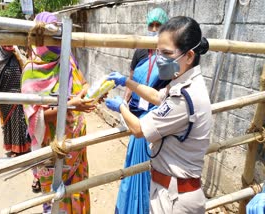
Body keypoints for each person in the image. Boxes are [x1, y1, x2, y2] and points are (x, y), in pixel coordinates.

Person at [105, 16, 211, 214]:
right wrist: (126, 82)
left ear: (189, 56)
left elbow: (138, 129)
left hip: (174, 199)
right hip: (172, 190)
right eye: (158, 51)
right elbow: (157, 96)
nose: (159, 58)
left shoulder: (183, 97)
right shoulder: (185, 82)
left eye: (167, 53)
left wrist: (121, 107)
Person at [21, 12, 96, 214]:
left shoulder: (68, 60)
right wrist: (71, 105)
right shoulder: (31, 70)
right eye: (51, 34)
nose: (56, 40)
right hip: (53, 150)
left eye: (58, 34)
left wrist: (93, 92)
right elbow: (33, 116)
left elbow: (84, 83)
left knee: (78, 192)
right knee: (56, 200)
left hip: (77, 146)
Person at [116, 8, 169, 214]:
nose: (154, 29)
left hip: (157, 116)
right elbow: (131, 80)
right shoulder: (139, 52)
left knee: (151, 165)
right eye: (151, 25)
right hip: (136, 112)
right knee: (134, 162)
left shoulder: (166, 54)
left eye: (159, 25)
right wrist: (123, 103)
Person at [0, 45, 31, 157]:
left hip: (17, 91)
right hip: (3, 92)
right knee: (7, 121)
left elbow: (24, 66)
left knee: (18, 119)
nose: (8, 45)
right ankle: (12, 146)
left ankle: (20, 148)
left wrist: (17, 54)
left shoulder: (16, 50)